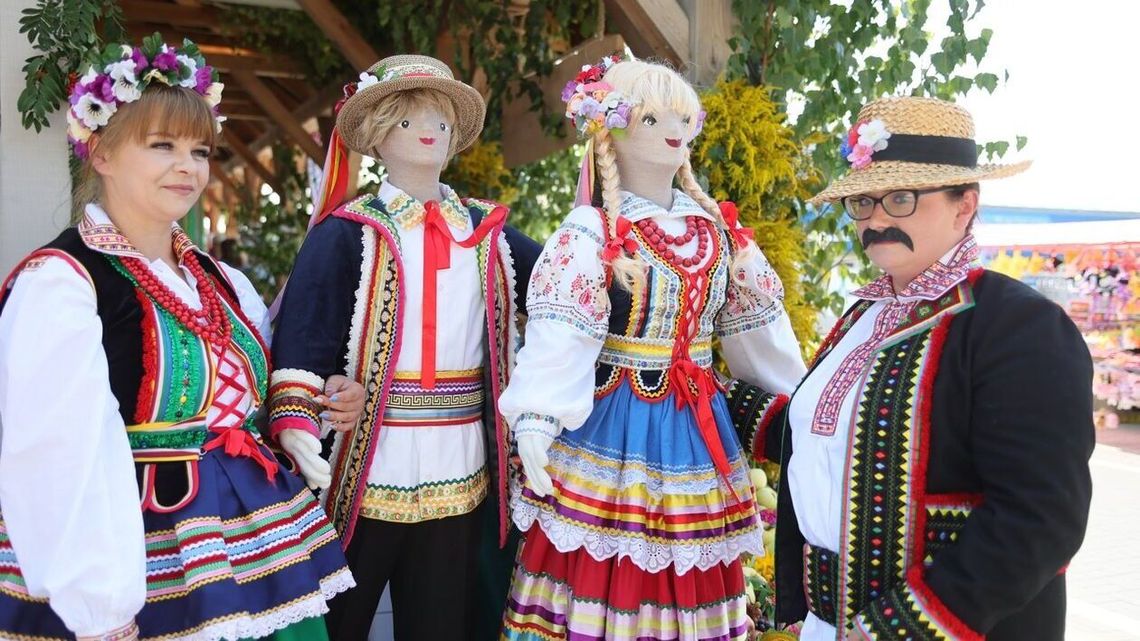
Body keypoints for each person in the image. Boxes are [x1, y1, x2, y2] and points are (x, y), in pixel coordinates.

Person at [0, 37, 361, 641]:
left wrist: (318, 401)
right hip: (138, 553)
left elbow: (254, 394)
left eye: (200, 150)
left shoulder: (222, 279)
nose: (188, 166)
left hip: (258, 535)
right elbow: (54, 452)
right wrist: (100, 607)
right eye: (161, 145)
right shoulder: (62, 283)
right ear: (102, 152)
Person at [747, 96, 1094, 640]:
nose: (877, 218)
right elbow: (831, 448)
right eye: (863, 201)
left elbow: (1040, 519)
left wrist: (895, 628)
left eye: (902, 198)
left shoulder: (1019, 327)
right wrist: (705, 394)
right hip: (826, 624)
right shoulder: (863, 316)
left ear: (965, 205)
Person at [497, 55, 806, 640]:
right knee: (604, 559)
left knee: (691, 563)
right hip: (613, 420)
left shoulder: (718, 232)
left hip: (696, 424)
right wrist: (536, 414)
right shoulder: (592, 232)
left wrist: (801, 401)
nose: (672, 128)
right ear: (610, 130)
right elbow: (562, 329)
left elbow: (757, 333)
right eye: (651, 117)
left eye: (682, 116)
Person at [268, 54, 541, 641]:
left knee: (440, 618)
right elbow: (306, 331)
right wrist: (296, 416)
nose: (429, 131)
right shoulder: (347, 231)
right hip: (366, 457)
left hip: (460, 460)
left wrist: (614, 256)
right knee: (341, 612)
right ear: (375, 136)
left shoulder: (488, 231)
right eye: (408, 119)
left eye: (440, 121)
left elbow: (563, 288)